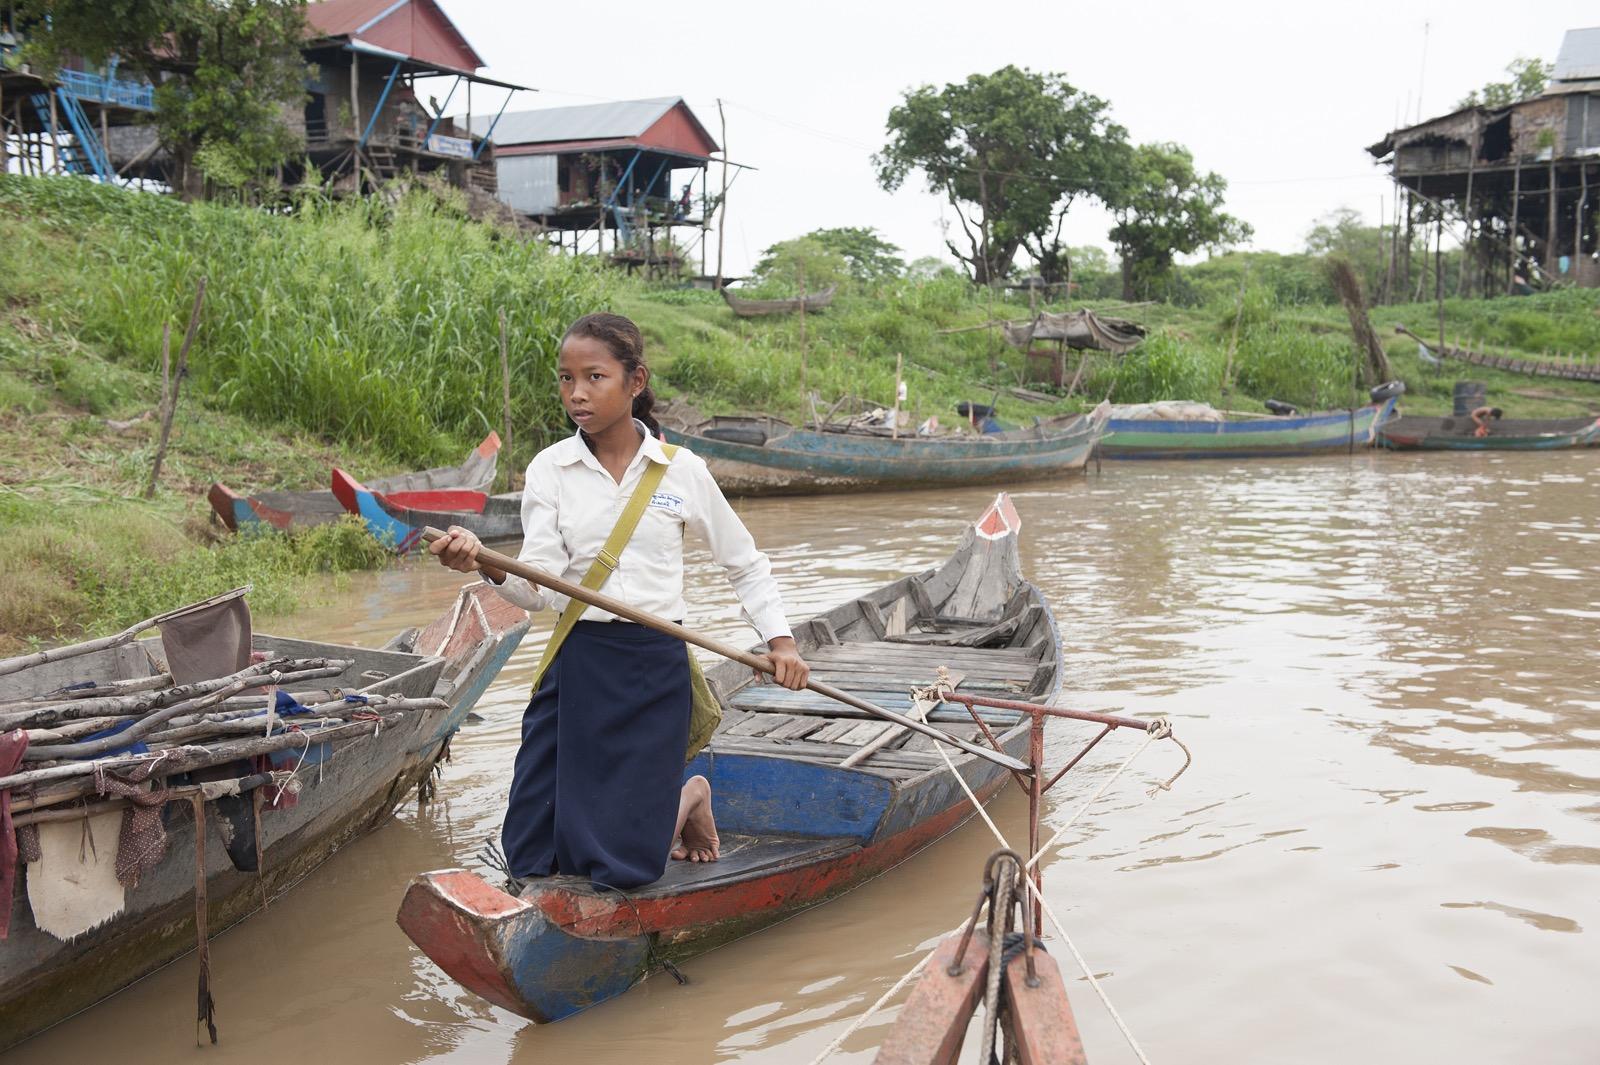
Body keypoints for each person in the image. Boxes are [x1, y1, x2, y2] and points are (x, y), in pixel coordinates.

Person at [430, 312, 808, 891]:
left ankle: (688, 797)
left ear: (636, 381)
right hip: (578, 659)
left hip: (654, 665)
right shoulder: (551, 469)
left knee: (624, 866)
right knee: (533, 849)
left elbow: (744, 563)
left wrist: (781, 643)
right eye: (566, 379)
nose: (576, 394)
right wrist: (484, 562)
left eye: (594, 377)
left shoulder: (682, 471)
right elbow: (538, 587)